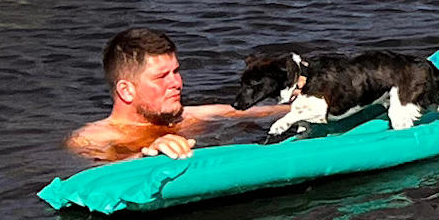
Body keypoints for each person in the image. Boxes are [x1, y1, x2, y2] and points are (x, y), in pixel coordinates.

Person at [65, 28, 283, 162]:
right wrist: (145, 157)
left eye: (176, 72)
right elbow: (101, 172)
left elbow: (271, 112)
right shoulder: (90, 138)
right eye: (161, 77)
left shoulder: (196, 116)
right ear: (126, 90)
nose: (177, 83)